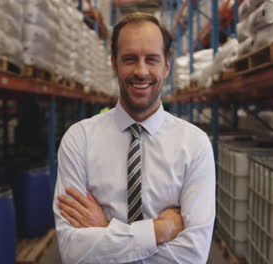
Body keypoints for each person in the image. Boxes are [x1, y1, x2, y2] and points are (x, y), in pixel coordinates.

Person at [53, 12, 216, 263]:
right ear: (114, 64)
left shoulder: (195, 146)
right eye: (130, 59)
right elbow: (72, 252)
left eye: (151, 59)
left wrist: (106, 230)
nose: (141, 71)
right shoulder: (79, 140)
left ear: (167, 65)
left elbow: (192, 256)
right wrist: (158, 231)